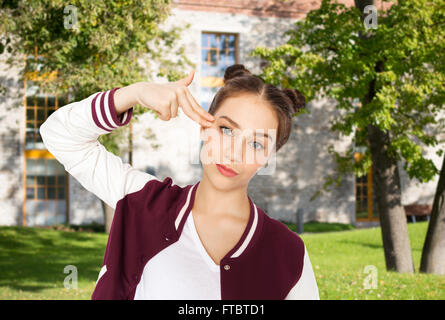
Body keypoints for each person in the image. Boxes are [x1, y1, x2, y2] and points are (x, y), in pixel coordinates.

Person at [40, 64, 319, 300]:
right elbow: (60, 134)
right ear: (204, 126)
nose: (234, 153)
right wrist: (135, 93)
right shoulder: (142, 201)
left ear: (269, 157)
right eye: (226, 130)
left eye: (257, 143)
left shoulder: (289, 253)